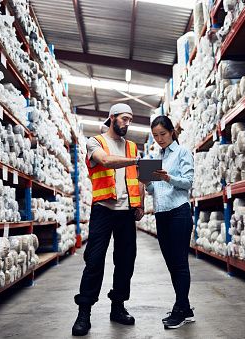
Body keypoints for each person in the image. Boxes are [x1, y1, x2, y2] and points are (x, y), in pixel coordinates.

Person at [72, 103, 145, 336]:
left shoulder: (133, 146)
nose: (127, 123)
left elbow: (141, 177)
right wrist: (134, 161)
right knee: (94, 260)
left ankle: (118, 306)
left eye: (130, 119)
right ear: (112, 117)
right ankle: (84, 312)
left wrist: (140, 203)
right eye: (124, 118)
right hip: (103, 209)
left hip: (126, 212)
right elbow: (105, 161)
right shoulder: (95, 142)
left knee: (125, 261)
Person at [143, 115, 195, 329]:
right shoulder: (157, 157)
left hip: (179, 212)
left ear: (172, 132)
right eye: (155, 136)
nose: (159, 139)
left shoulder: (182, 152)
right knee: (171, 264)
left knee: (180, 263)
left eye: (162, 134)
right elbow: (154, 190)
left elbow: (188, 183)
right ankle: (186, 308)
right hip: (161, 214)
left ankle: (179, 310)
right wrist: (148, 183)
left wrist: (168, 178)